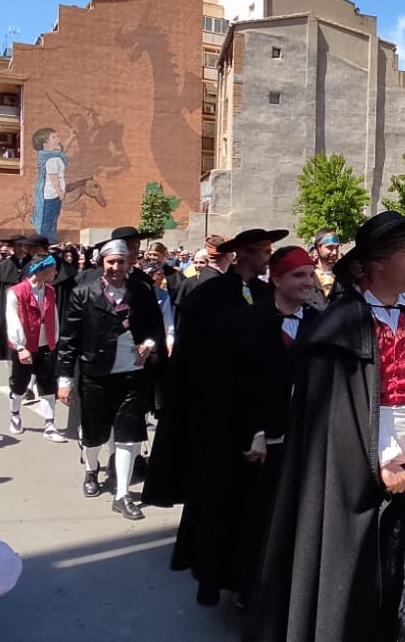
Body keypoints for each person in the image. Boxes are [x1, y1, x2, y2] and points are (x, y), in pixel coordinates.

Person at [248, 208, 405, 642]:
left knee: (402, 578)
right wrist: (379, 462)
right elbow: (336, 414)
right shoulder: (339, 325)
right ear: (377, 262)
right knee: (353, 582)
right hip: (356, 477)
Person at [176, 245, 319, 608]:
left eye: (310, 274)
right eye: (298, 275)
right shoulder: (246, 321)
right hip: (250, 439)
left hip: (298, 436)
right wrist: (253, 430)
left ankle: (276, 584)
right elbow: (229, 384)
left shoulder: (318, 324)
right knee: (245, 514)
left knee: (285, 516)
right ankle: (243, 585)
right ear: (278, 278)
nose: (307, 282)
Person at [159, 227, 287, 603]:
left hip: (257, 410)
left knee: (253, 501)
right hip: (219, 412)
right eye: (262, 250)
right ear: (244, 253)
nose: (268, 256)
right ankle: (215, 571)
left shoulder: (266, 295)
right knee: (219, 496)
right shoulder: (209, 295)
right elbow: (195, 355)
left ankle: (247, 575)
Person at [58, 239, 166, 519]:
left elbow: (156, 325)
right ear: (102, 264)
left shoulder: (141, 291)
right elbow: (69, 340)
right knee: (94, 435)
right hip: (95, 373)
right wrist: (65, 380)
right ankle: (92, 470)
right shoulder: (83, 293)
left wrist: (150, 343)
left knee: (129, 435)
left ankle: (123, 494)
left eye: (121, 262)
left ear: (129, 263)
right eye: (111, 262)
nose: (116, 267)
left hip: (132, 373)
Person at [4, 254, 68, 442]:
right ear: (40, 270)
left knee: (48, 385)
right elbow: (13, 320)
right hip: (24, 345)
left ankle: (49, 425)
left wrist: (53, 339)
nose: (56, 272)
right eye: (53, 268)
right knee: (20, 385)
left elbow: (53, 315)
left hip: (45, 344)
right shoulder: (16, 292)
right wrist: (20, 346)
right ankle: (14, 414)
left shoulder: (49, 291)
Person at [0, 236, 33, 361]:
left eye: (21, 246)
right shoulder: (4, 265)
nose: (19, 249)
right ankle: (9, 353)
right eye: (16, 246)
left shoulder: (32, 264)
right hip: (8, 305)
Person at [310, 228, 341, 299]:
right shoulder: (308, 275)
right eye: (330, 247)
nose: (335, 252)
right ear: (318, 247)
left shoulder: (342, 274)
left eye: (337, 247)